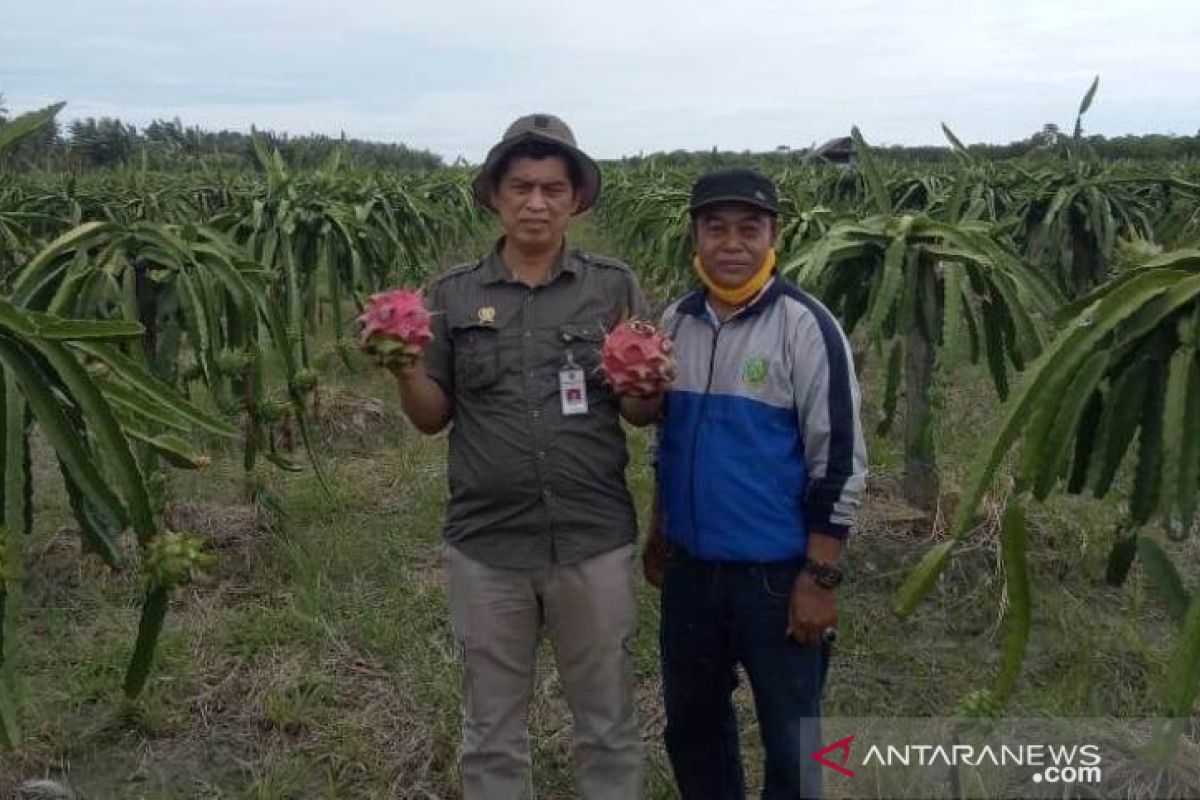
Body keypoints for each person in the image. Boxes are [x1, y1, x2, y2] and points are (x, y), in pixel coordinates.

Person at [389, 113, 666, 799]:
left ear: (575, 199)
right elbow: (432, 419)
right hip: (487, 544)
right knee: (490, 729)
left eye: (552, 188)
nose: (536, 202)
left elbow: (638, 416)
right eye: (521, 187)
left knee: (606, 719)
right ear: (495, 195)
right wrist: (401, 370)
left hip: (591, 539)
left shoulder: (613, 287)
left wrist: (647, 389)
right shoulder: (453, 295)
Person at [643, 168, 867, 799]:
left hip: (776, 576)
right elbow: (670, 438)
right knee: (693, 730)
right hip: (691, 573)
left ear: (776, 235)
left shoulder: (806, 325)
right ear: (695, 236)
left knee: (795, 741)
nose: (732, 243)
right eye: (716, 228)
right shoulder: (676, 322)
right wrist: (660, 525)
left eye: (750, 228)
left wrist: (820, 577)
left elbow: (840, 459)